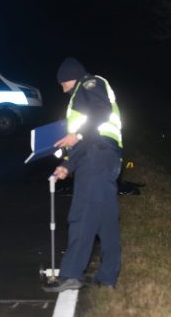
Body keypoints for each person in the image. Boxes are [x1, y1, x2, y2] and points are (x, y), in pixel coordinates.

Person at [43, 57, 123, 292]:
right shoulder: (82, 95)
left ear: (71, 78)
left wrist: (76, 135)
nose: (62, 89)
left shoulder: (90, 84)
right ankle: (108, 277)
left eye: (63, 84)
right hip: (104, 157)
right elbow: (87, 139)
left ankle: (71, 275)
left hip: (97, 158)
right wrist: (67, 166)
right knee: (106, 221)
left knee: (82, 214)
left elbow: (101, 113)